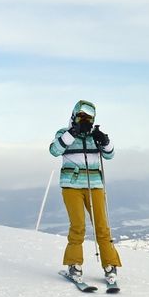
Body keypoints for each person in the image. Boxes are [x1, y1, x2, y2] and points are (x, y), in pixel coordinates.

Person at [50, 100, 121, 284]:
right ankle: (74, 264)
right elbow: (54, 150)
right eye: (81, 117)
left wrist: (104, 141)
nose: (85, 121)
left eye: (88, 118)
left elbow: (110, 154)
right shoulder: (64, 134)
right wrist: (71, 134)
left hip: (95, 187)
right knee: (78, 226)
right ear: (74, 116)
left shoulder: (93, 137)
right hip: (71, 187)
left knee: (102, 228)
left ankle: (110, 265)